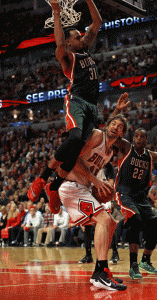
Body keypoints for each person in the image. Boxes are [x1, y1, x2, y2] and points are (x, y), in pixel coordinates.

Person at [27, 0, 103, 213]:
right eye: (76, 36)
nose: (81, 37)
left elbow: (97, 22)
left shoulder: (84, 49)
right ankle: (42, 179)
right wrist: (57, 12)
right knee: (75, 137)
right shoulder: (67, 58)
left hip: (92, 106)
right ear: (70, 43)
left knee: (76, 151)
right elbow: (59, 44)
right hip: (76, 101)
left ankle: (54, 187)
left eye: (80, 36)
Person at [57, 98, 129, 290]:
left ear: (122, 133)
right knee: (104, 221)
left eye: (120, 126)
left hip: (82, 188)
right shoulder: (97, 136)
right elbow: (73, 159)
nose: (115, 127)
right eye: (113, 123)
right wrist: (96, 180)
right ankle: (101, 274)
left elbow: (93, 174)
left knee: (111, 223)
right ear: (108, 125)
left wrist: (98, 186)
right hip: (70, 187)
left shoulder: (110, 153)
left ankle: (100, 271)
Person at [114, 127, 157, 279]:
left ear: (147, 140)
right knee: (136, 219)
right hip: (124, 193)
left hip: (140, 196)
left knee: (154, 224)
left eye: (142, 136)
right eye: (136, 136)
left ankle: (145, 260)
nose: (139, 138)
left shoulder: (149, 155)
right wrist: (117, 111)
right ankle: (133, 265)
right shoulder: (126, 148)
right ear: (133, 139)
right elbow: (110, 135)